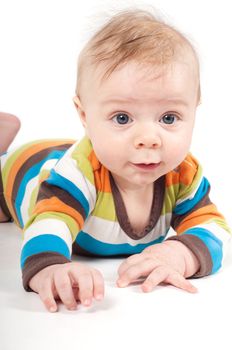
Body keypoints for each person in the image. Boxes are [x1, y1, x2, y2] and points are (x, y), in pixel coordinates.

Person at [0, 9, 231, 313]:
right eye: (122, 118)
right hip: (23, 172)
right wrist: (50, 266)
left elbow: (213, 227)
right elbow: (49, 222)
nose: (149, 138)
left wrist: (180, 253)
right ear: (84, 116)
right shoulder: (77, 175)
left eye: (169, 117)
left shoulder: (182, 174)